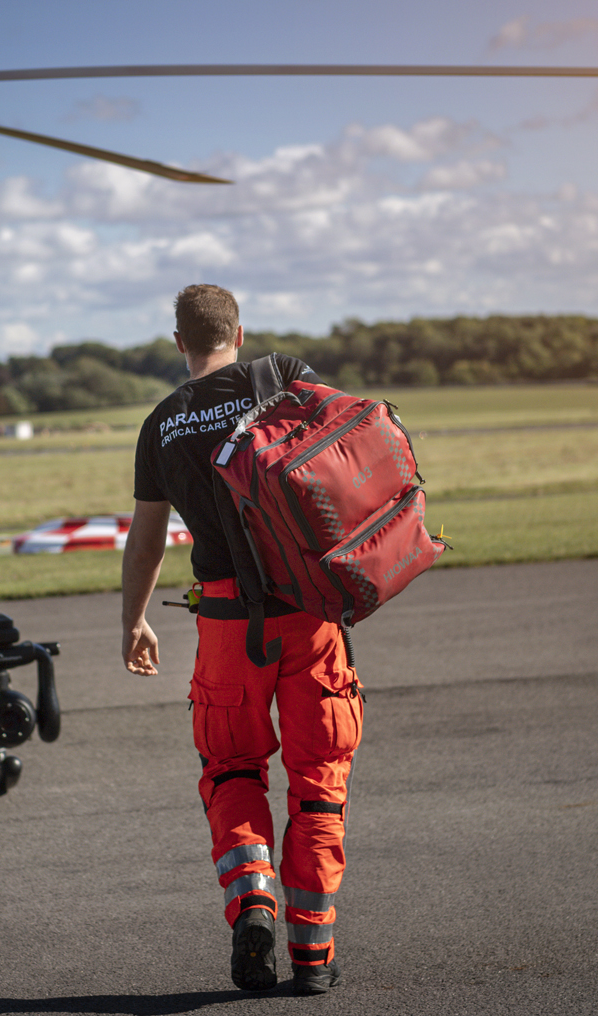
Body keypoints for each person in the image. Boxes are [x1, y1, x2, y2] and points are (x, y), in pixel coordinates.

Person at [122, 284, 358, 996]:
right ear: (239, 331)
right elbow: (350, 449)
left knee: (232, 771)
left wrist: (133, 618)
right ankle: (314, 958)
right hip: (309, 613)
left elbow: (147, 535)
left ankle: (251, 900)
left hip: (226, 624)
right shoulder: (283, 376)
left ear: (178, 342)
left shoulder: (162, 424)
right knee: (318, 783)